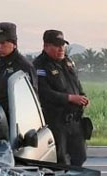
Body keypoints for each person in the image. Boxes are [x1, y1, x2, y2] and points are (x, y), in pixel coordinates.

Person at [33, 29, 89, 166]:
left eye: (62, 45)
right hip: (56, 121)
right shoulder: (39, 66)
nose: (61, 49)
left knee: (80, 157)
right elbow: (44, 92)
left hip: (74, 120)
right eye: (56, 45)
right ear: (46, 46)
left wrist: (82, 97)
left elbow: (76, 84)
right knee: (60, 159)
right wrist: (69, 98)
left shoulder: (68, 62)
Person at [0, 22, 37, 118]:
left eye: (3, 43)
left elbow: (31, 101)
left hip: (16, 121)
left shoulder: (24, 66)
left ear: (14, 43)